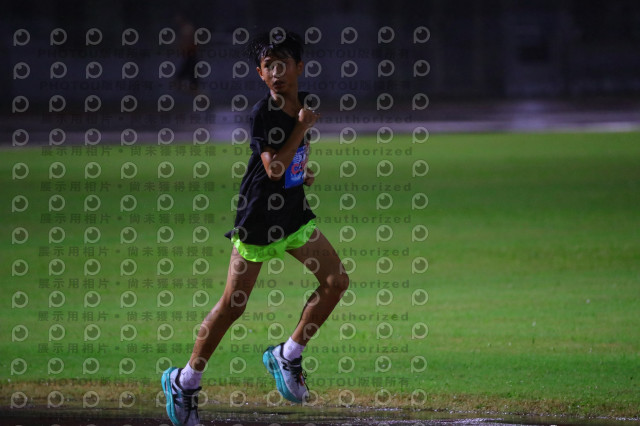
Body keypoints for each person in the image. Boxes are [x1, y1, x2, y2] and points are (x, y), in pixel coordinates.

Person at [161, 29, 350, 426]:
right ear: (261, 74)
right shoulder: (264, 113)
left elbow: (288, 165)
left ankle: (288, 355)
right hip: (259, 218)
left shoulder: (304, 104)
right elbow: (273, 168)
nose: (277, 72)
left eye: (284, 64)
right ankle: (184, 381)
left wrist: (302, 172)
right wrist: (300, 131)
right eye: (268, 66)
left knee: (336, 281)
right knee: (234, 305)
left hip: (293, 213)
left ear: (299, 67)